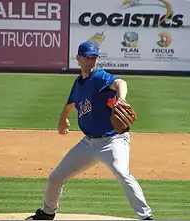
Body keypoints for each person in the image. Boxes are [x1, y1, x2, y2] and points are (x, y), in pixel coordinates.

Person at [25, 41, 154, 220]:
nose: (91, 61)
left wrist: (122, 99)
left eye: (94, 58)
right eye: (88, 58)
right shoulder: (78, 83)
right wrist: (63, 120)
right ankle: (47, 214)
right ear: (79, 58)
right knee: (56, 177)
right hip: (88, 143)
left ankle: (146, 217)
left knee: (122, 172)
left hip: (113, 140)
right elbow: (70, 103)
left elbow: (119, 82)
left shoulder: (99, 77)